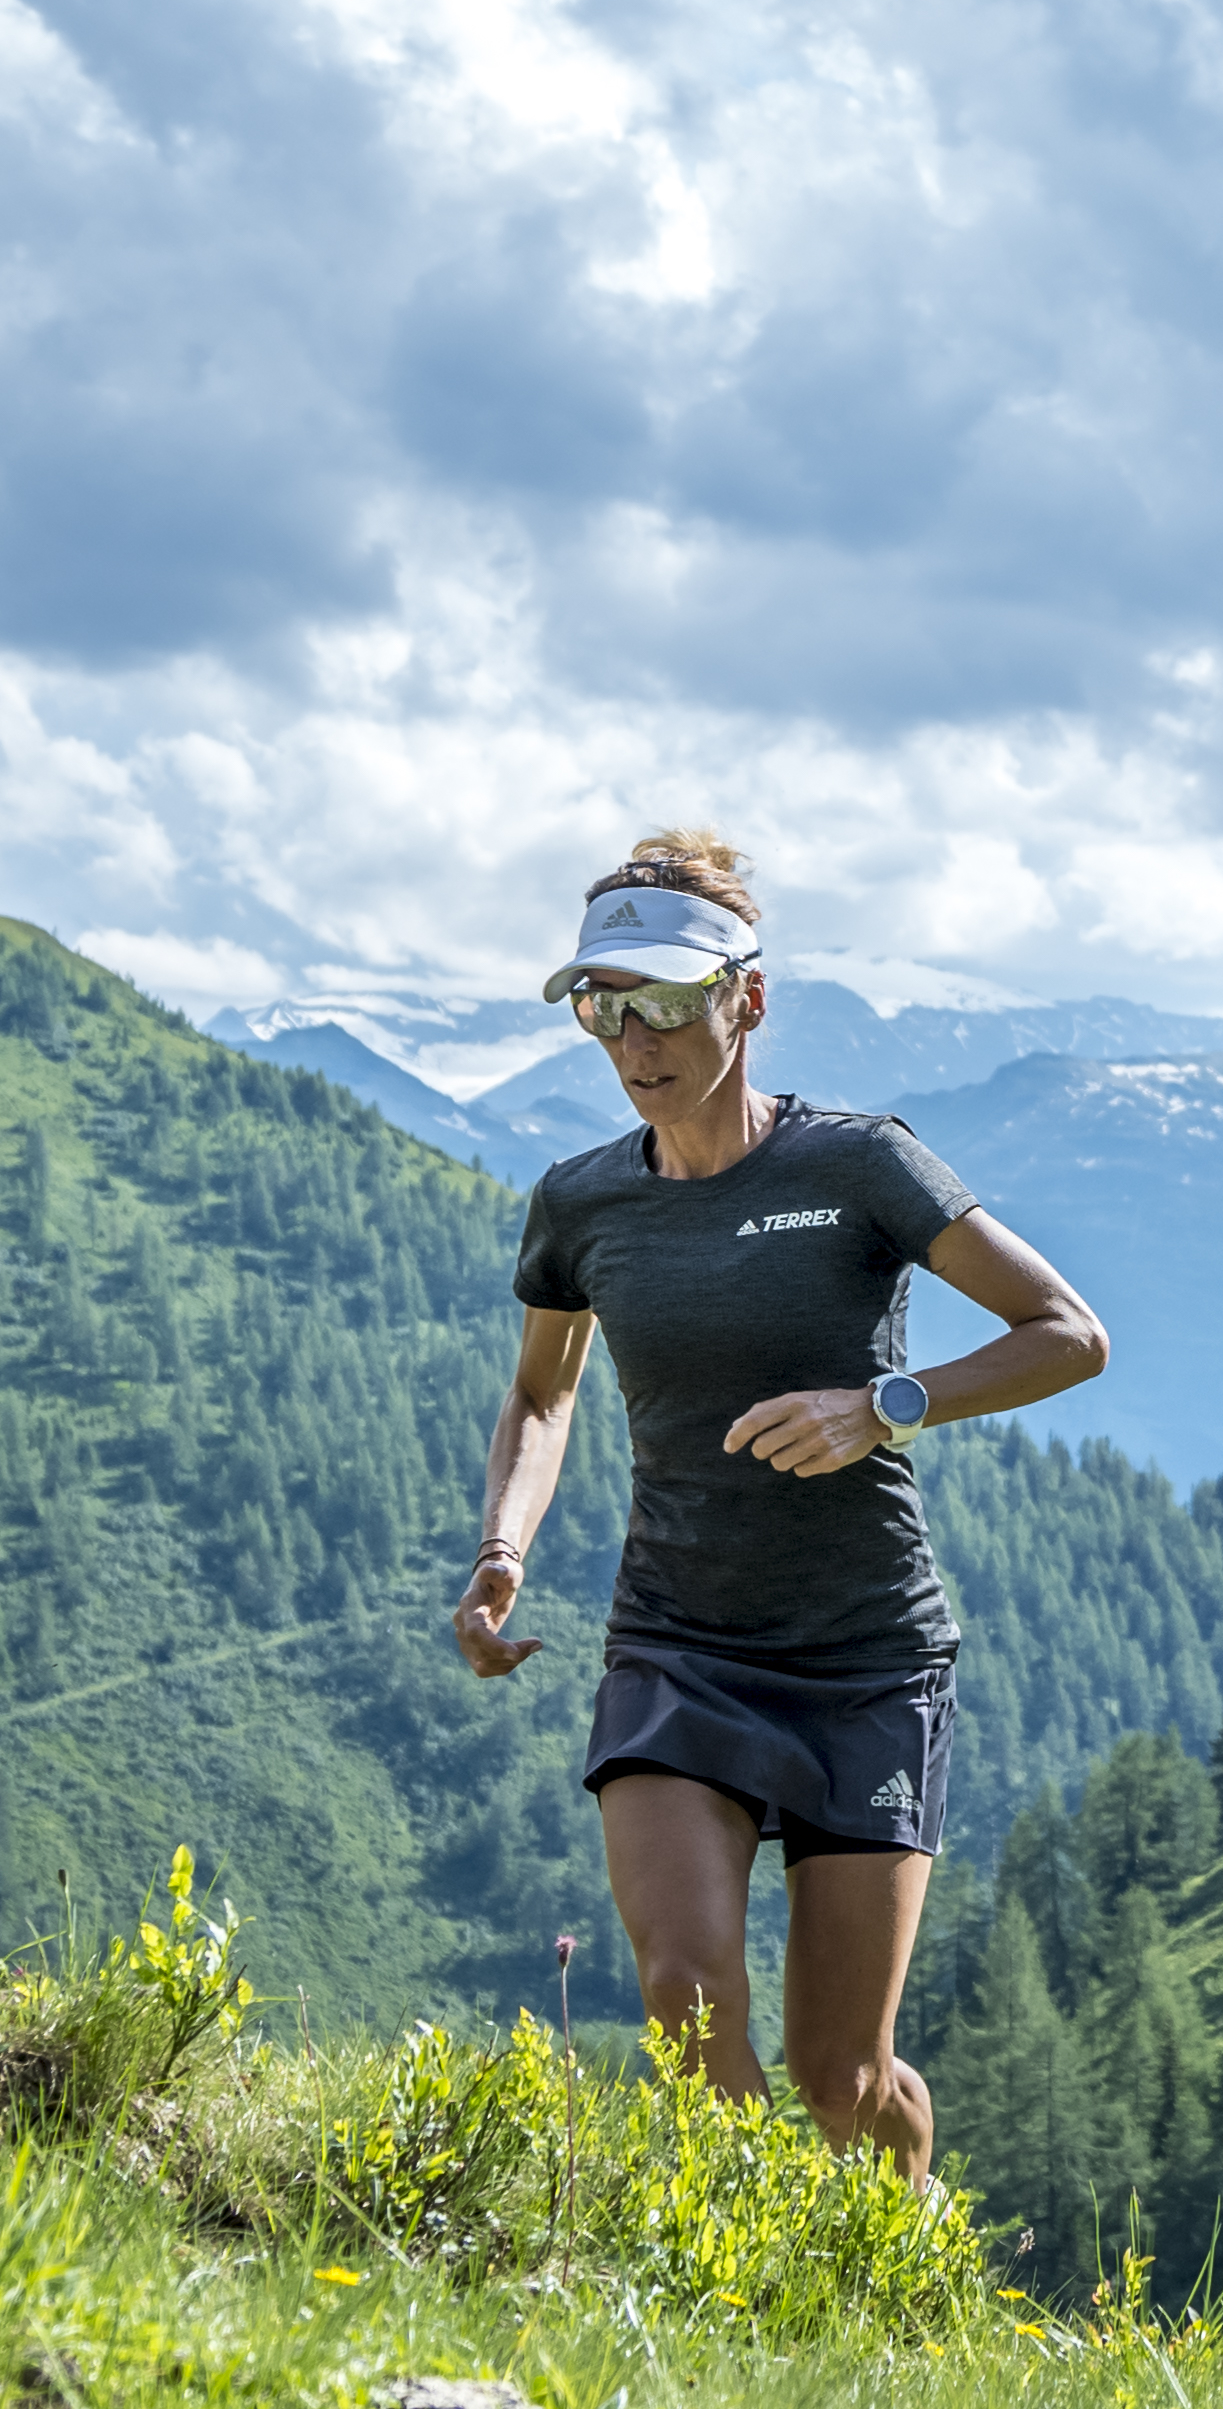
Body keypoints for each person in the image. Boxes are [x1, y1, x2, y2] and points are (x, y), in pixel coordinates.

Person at [450, 832, 1111, 2177]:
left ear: (746, 1000)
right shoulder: (580, 1205)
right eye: (601, 1003)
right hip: (677, 1647)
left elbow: (1068, 1332)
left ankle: (901, 2237)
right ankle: (764, 2295)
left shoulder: (858, 1167)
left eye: (665, 1001)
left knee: (844, 2078)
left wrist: (885, 1404)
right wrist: (501, 1551)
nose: (633, 1038)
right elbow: (541, 1396)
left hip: (866, 1659)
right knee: (687, 2003)